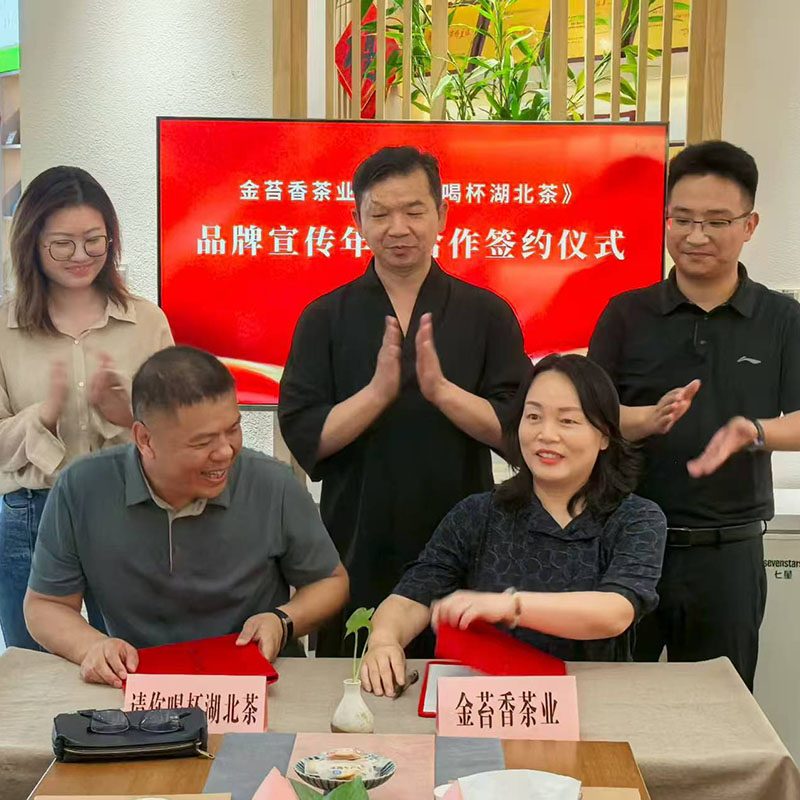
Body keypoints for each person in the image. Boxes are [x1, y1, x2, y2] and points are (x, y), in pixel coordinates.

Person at [278, 146, 529, 656]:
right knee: (354, 681)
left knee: (455, 684)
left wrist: (443, 393)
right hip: (356, 539)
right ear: (356, 221)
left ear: (442, 214)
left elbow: (517, 430)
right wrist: (376, 394)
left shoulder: (487, 313)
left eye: (414, 211)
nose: (398, 228)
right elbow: (306, 435)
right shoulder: (324, 317)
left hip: (462, 538)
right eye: (380, 214)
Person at [588, 140, 800, 690]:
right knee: (613, 702)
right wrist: (644, 420)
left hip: (728, 553)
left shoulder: (781, 319)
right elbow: (586, 419)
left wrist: (755, 431)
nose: (696, 235)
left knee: (718, 711)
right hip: (626, 544)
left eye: (716, 221)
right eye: (681, 219)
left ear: (749, 225)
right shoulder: (626, 314)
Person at [24, 346, 349, 687]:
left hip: (259, 684)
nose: (225, 452)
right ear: (145, 439)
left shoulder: (273, 484)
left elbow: (330, 581)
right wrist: (92, 647)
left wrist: (282, 621)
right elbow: (46, 605)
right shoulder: (82, 488)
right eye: (202, 442)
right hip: (135, 685)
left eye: (233, 429)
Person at [361, 354, 667, 695]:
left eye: (567, 421)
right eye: (533, 416)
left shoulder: (636, 518)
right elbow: (412, 595)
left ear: (605, 435)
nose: (546, 434)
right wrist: (384, 640)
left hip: (594, 701)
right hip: (492, 702)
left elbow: (615, 611)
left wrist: (510, 606)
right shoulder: (478, 513)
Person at [0, 166, 173, 650]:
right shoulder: (4, 329)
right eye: (63, 244)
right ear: (31, 244)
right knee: (33, 665)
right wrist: (42, 417)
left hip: (127, 508)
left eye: (94, 241)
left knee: (132, 659)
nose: (81, 256)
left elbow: (179, 435)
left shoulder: (146, 321)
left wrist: (128, 416)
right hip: (30, 514)